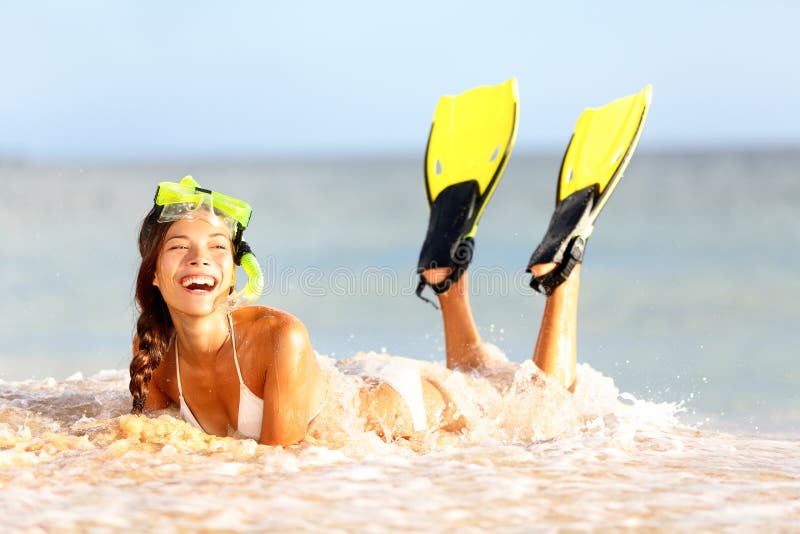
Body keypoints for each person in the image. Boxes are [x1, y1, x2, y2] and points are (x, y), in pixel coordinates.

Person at [129, 82, 651, 447]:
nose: (201, 257)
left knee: (542, 405)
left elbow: (278, 472)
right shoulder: (153, 345)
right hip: (358, 381)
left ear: (234, 273)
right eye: (180, 246)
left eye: (218, 246)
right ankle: (445, 281)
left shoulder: (276, 338)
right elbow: (155, 443)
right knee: (479, 375)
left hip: (408, 406)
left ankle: (562, 273)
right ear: (154, 272)